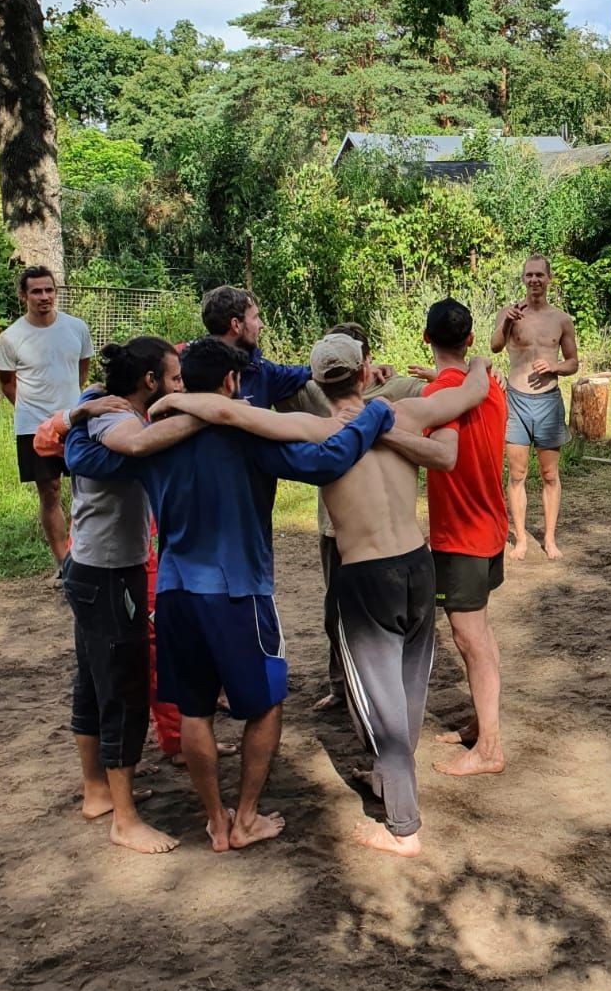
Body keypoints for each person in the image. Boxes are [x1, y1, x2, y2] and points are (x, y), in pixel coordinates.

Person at [65, 336, 416, 853]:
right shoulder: (249, 438)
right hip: (239, 593)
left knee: (194, 710)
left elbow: (84, 456)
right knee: (267, 704)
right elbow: (327, 461)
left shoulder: (153, 438)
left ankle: (214, 820)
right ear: (230, 383)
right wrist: (374, 415)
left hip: (176, 592)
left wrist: (80, 414)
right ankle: (246, 816)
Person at [152, 335, 492, 858]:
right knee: (405, 693)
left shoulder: (315, 428)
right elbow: (472, 391)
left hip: (366, 577)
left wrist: (173, 400)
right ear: (363, 373)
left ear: (316, 382)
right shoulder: (404, 412)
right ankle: (388, 777)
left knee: (382, 705)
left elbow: (229, 413)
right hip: (418, 564)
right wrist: (479, 357)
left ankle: (402, 827)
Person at [60, 337, 201, 854]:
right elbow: (137, 449)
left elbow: (81, 432)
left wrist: (79, 413)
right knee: (122, 688)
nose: (180, 385)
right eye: (175, 378)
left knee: (94, 682)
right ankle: (124, 819)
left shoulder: (103, 409)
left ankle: (97, 791)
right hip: (108, 576)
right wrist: (210, 415)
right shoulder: (117, 425)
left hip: (93, 569)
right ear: (150, 381)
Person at [288, 322, 426, 712]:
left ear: (364, 361)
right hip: (335, 529)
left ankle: (383, 694)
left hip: (383, 536)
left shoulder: (393, 391)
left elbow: (437, 393)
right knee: (337, 613)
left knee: (382, 620)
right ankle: (341, 684)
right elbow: (278, 379)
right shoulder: (319, 395)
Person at [421, 299, 509, 778]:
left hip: (462, 535)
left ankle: (490, 749)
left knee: (468, 637)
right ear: (471, 340)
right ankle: (481, 725)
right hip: (490, 527)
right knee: (482, 631)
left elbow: (444, 448)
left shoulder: (444, 394)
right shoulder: (488, 386)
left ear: (426, 338)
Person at [0, 266, 93, 573]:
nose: (44, 297)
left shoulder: (76, 328)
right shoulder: (10, 338)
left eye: (49, 290)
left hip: (74, 421)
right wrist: (32, 412)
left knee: (86, 487)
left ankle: (88, 558)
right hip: (33, 426)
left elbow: (82, 369)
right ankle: (65, 564)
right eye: (36, 291)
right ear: (24, 295)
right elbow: (7, 383)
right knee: (49, 492)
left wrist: (68, 408)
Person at [490, 253, 578, 561]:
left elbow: (573, 364)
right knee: (516, 473)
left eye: (540, 275)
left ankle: (550, 538)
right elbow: (495, 347)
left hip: (548, 402)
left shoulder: (561, 319)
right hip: (516, 398)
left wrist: (554, 367)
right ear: (523, 279)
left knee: (549, 474)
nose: (534, 281)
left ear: (549, 279)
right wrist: (506, 322)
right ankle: (521, 539)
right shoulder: (510, 313)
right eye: (529, 275)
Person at [201, 285, 312, 408]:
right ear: (236, 325)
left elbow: (310, 372)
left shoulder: (262, 371)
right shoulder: (187, 375)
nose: (261, 324)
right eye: (255, 317)